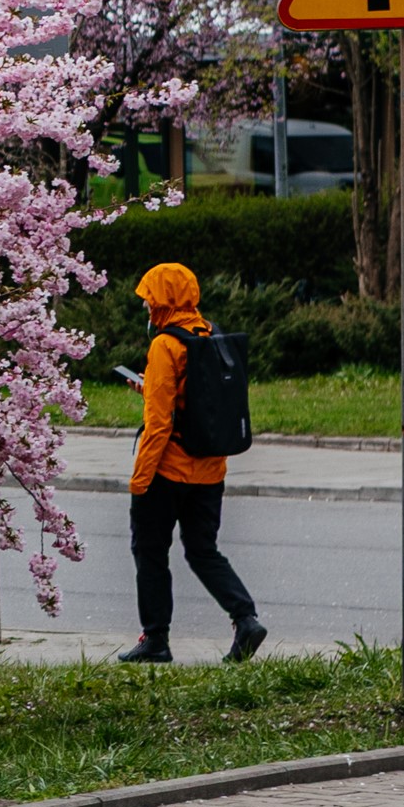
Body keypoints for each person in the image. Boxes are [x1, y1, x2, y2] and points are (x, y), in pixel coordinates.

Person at [118, 262, 267, 665]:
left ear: (165, 300)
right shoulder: (211, 335)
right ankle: (245, 617)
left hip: (167, 472)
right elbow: (194, 400)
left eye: (150, 299)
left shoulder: (165, 345)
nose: (147, 307)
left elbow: (159, 423)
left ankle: (155, 639)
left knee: (149, 551)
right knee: (203, 550)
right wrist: (148, 387)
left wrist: (140, 479)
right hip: (211, 469)